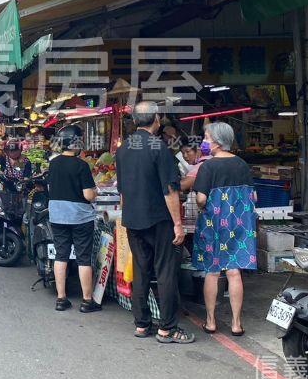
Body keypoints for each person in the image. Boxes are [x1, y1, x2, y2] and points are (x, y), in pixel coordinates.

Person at [115, 100, 194, 344]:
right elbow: (170, 191)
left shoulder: (123, 149)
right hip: (158, 220)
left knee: (141, 270)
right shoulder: (159, 148)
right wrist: (178, 224)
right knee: (165, 272)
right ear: (156, 120)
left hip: (132, 219)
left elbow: (122, 190)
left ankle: (142, 324)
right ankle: (167, 328)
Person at [192, 121, 258, 337]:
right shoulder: (242, 164)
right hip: (240, 225)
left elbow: (201, 199)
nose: (204, 142)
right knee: (234, 271)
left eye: (207, 138)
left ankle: (211, 322)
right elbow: (253, 196)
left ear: (218, 142)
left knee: (212, 272)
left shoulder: (208, 166)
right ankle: (236, 324)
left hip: (214, 224)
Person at [47, 124, 100, 313]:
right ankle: (87, 301)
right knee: (83, 257)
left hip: (57, 215)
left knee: (61, 256)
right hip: (79, 217)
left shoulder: (53, 163)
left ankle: (61, 298)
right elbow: (88, 195)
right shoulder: (82, 165)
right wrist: (95, 192)